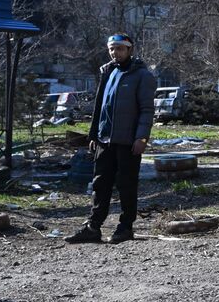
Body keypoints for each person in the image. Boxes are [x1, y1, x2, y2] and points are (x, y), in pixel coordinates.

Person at [65, 33, 157, 244]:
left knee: (126, 185)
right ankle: (93, 228)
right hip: (104, 140)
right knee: (100, 184)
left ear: (129, 50)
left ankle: (125, 228)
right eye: (112, 49)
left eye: (120, 48)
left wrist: (142, 138)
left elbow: (146, 110)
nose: (115, 53)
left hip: (128, 141)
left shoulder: (142, 76)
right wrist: (94, 135)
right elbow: (100, 107)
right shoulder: (108, 72)